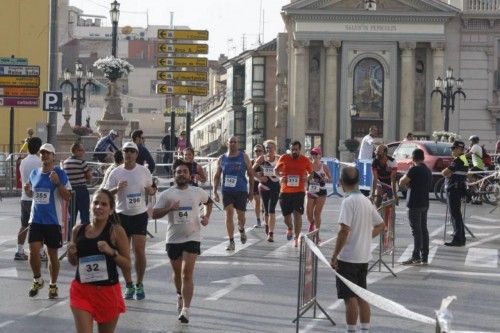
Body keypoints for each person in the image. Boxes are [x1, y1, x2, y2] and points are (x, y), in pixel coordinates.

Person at [152, 160, 213, 324]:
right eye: (178, 172)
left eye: (185, 171)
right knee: (178, 274)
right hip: (173, 239)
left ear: (189, 175)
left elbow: (209, 202)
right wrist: (169, 208)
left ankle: (186, 309)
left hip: (192, 237)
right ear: (174, 175)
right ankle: (179, 294)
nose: (182, 174)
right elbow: (154, 214)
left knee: (187, 273)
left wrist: (206, 216)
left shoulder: (197, 191)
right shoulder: (167, 194)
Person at [67, 189, 131, 333]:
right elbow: (73, 262)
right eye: (95, 203)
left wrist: (111, 252)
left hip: (107, 292)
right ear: (90, 206)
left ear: (110, 210)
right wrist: (71, 254)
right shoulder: (78, 230)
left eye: (104, 204)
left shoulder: (116, 231)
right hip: (81, 291)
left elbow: (127, 264)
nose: (99, 207)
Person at [330, 166, 384, 333]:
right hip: (363, 256)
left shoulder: (348, 202)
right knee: (362, 295)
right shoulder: (365, 200)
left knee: (350, 298)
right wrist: (367, 237)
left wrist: (334, 255)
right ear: (359, 181)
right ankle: (365, 329)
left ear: (341, 182)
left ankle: (351, 330)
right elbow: (381, 224)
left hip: (348, 257)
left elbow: (344, 230)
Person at [104, 141, 156, 300]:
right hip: (122, 216)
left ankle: (139, 283)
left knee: (139, 251)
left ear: (136, 155)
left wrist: (150, 190)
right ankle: (128, 284)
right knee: (124, 253)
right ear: (123, 153)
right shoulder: (116, 173)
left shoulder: (144, 171)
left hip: (139, 215)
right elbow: (105, 193)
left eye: (132, 151)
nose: (129, 154)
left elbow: (153, 189)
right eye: (126, 151)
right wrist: (117, 189)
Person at [24, 143, 72, 299]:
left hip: (52, 221)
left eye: (47, 153)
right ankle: (37, 279)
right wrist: (29, 192)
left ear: (53, 156)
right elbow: (34, 195)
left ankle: (53, 284)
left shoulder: (60, 173)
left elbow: (67, 196)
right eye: (42, 153)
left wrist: (57, 182)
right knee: (33, 250)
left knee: (52, 255)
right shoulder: (34, 173)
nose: (44, 156)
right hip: (36, 219)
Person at [213, 136, 254, 251]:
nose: (233, 144)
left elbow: (251, 175)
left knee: (241, 217)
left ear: (238, 144)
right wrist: (215, 191)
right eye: (231, 142)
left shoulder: (244, 157)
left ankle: (241, 229)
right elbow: (216, 176)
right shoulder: (222, 158)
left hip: (241, 190)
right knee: (229, 213)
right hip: (227, 190)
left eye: (235, 142)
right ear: (227, 144)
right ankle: (231, 241)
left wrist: (251, 192)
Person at [275, 140, 313, 247]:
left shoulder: (305, 160)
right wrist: (280, 177)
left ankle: (296, 237)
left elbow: (311, 173)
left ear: (300, 150)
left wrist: (307, 177)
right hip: (285, 191)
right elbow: (275, 170)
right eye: (292, 149)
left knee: (297, 215)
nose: (294, 151)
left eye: (296, 149)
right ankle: (290, 228)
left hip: (299, 191)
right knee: (286, 217)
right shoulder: (284, 158)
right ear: (290, 149)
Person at [399, 148, 432, 265]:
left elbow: (402, 182)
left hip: (414, 203)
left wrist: (407, 179)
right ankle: (425, 256)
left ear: (413, 158)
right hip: (424, 202)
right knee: (424, 230)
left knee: (416, 231)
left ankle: (416, 256)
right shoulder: (427, 170)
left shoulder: (414, 169)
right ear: (422, 158)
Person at [16, 137, 42, 261]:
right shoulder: (39, 162)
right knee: (39, 226)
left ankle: (19, 250)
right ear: (39, 148)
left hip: (24, 197)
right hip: (35, 198)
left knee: (24, 225)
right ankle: (40, 252)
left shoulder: (24, 161)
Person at [253, 140, 281, 242]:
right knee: (265, 210)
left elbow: (285, 170)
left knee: (271, 209)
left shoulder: (279, 159)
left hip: (275, 186)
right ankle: (266, 224)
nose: (269, 149)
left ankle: (271, 233)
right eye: (267, 148)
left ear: (275, 148)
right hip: (264, 186)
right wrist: (260, 178)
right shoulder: (262, 158)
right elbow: (251, 170)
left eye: (271, 147)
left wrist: (281, 176)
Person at [442, 140, 468, 247]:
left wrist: (447, 173)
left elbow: (444, 173)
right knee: (457, 214)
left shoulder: (457, 160)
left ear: (458, 149)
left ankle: (458, 239)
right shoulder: (464, 159)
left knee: (455, 215)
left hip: (453, 190)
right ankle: (461, 238)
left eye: (453, 149)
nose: (452, 151)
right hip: (459, 189)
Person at [63, 141, 92, 226]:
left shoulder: (65, 162)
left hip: (70, 191)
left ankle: (70, 237)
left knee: (71, 217)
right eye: (81, 150)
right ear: (75, 151)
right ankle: (84, 235)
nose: (83, 152)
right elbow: (89, 177)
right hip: (81, 190)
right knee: (85, 215)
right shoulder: (82, 162)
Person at [306, 147, 331, 240]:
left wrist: (326, 179)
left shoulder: (324, 166)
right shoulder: (308, 165)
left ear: (320, 155)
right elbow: (305, 178)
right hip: (311, 190)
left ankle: (317, 233)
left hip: (321, 191)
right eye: (313, 154)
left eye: (316, 154)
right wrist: (309, 176)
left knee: (317, 213)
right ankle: (312, 223)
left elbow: (330, 178)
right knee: (308, 213)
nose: (314, 156)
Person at [465, 135, 485, 204]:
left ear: (473, 141)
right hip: (480, 166)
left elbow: (469, 154)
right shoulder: (478, 147)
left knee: (469, 174)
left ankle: (475, 189)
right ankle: (478, 197)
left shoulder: (475, 146)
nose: (470, 142)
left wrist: (460, 157)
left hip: (478, 166)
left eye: (470, 141)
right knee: (477, 181)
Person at [251, 144, 265, 228]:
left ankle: (264, 214)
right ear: (254, 152)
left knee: (264, 203)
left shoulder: (266, 161)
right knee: (257, 202)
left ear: (263, 151)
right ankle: (258, 220)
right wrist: (256, 176)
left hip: (265, 183)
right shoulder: (252, 161)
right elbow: (248, 173)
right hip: (255, 183)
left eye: (260, 151)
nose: (258, 152)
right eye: (256, 151)